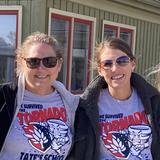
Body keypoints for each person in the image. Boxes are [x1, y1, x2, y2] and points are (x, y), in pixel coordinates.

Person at [72, 38, 160, 160]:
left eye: (122, 61)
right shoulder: (85, 107)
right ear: (100, 70)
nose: (114, 69)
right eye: (107, 64)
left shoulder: (154, 101)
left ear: (132, 64)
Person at [0, 32, 79, 160]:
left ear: (59, 64)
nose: (41, 68)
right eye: (33, 61)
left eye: (49, 61)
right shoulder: (3, 98)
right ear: (21, 62)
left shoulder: (74, 105)